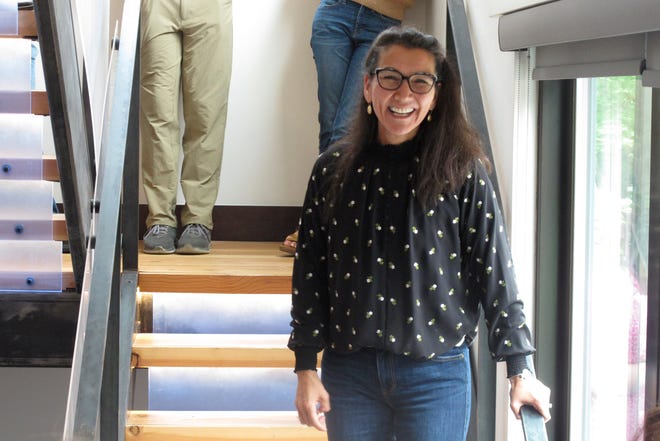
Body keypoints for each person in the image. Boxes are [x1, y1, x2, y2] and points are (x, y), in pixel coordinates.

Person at [287, 26, 552, 441]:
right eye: (390, 77)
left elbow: (496, 273)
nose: (404, 94)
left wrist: (521, 369)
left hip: (438, 375)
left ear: (436, 95)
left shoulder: (464, 172)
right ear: (368, 85)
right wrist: (305, 367)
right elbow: (310, 276)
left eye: (421, 81)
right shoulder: (331, 169)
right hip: (350, 373)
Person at [280, 0, 414, 256]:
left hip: (382, 22)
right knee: (330, 125)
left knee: (345, 128)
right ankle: (334, 221)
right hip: (334, 11)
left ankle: (319, 223)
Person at [140, 0, 232, 254]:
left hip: (210, 7)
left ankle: (198, 219)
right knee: (157, 113)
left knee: (207, 113)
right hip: (159, 6)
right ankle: (160, 219)